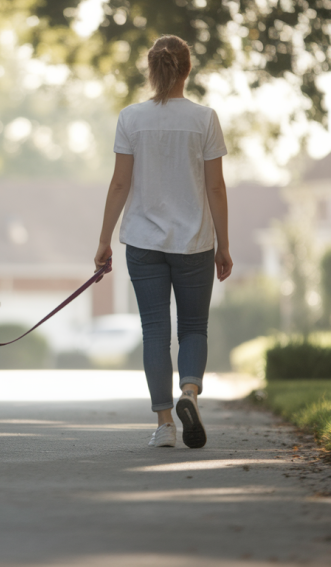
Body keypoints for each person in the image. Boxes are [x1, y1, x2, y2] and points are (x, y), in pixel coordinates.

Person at [94, 34, 233, 449]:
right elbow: (217, 187)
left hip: (142, 240)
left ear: (151, 71)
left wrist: (104, 240)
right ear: (187, 70)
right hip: (194, 242)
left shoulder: (131, 118)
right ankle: (188, 393)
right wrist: (223, 245)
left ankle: (164, 427)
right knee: (193, 328)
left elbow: (120, 182)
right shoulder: (204, 118)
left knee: (155, 331)